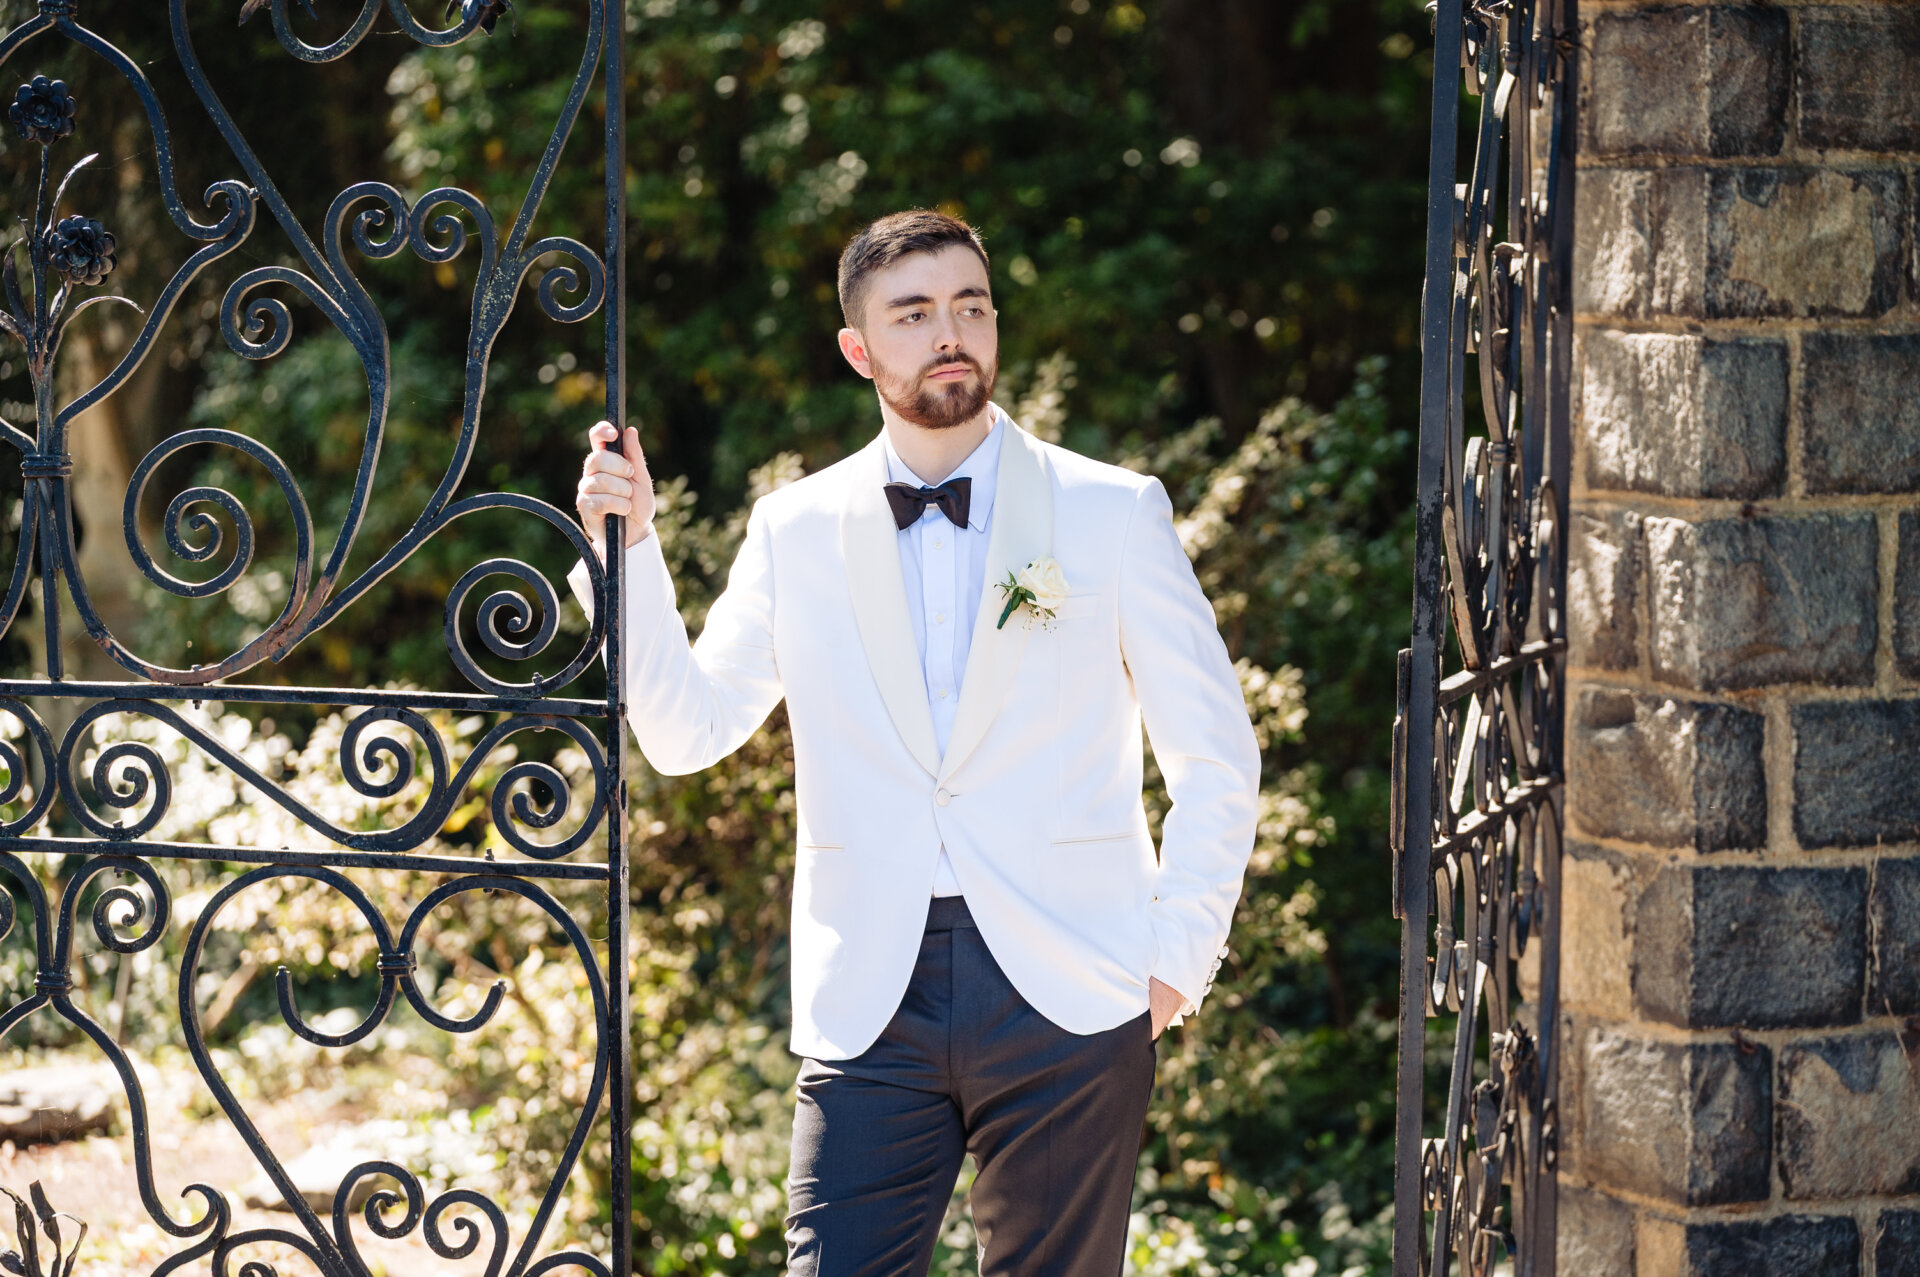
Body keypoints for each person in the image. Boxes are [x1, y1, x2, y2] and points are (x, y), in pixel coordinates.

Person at [569, 209, 1259, 1275]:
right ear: (859, 349)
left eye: (971, 308)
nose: (953, 333)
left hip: (1072, 986)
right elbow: (685, 730)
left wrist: (1175, 959)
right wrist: (634, 551)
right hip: (869, 991)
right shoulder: (794, 528)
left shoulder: (1111, 512)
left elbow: (1215, 752)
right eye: (917, 312)